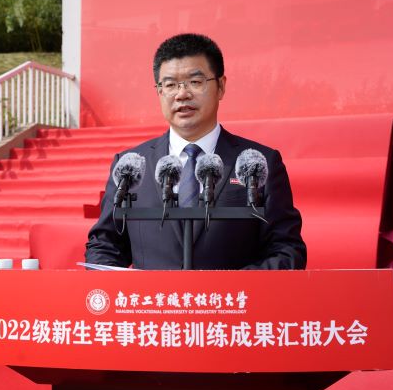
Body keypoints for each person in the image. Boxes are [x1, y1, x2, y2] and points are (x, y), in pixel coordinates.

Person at [85, 33, 306, 270]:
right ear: (159, 92)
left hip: (232, 295)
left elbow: (287, 250)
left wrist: (228, 288)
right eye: (170, 85)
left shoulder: (259, 164)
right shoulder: (131, 166)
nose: (182, 94)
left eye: (195, 82)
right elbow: (105, 246)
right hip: (152, 296)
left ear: (221, 87)